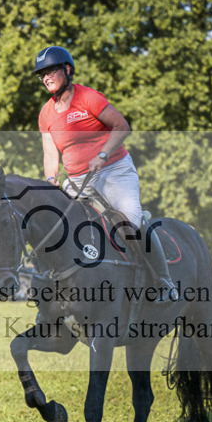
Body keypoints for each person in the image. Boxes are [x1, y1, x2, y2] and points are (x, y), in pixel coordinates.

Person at [34, 45, 175, 292]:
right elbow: (49, 152)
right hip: (78, 181)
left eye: (50, 71)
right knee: (57, 224)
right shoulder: (46, 114)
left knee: (131, 224)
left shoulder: (88, 98)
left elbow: (122, 126)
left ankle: (163, 281)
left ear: (67, 69)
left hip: (114, 172)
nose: (46, 77)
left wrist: (102, 155)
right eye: (42, 74)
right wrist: (50, 178)